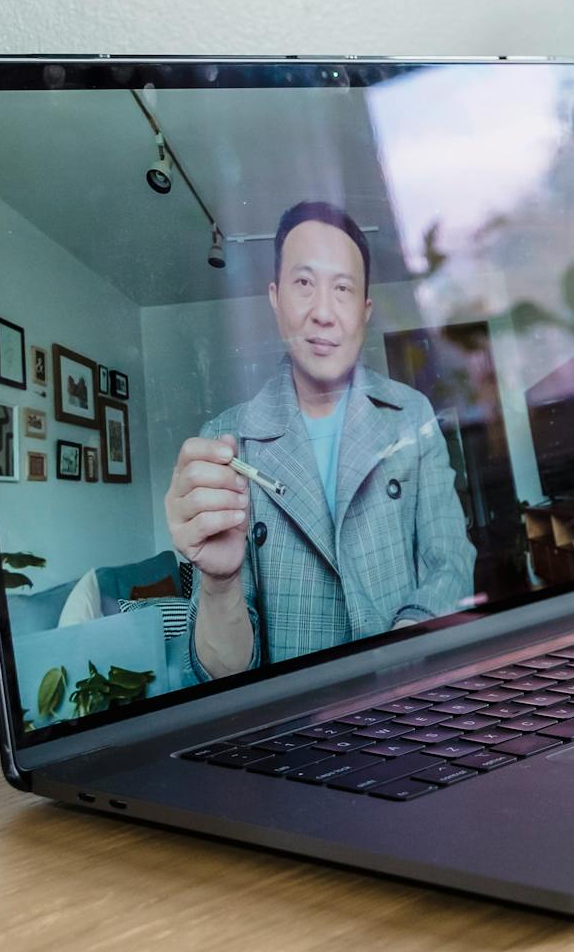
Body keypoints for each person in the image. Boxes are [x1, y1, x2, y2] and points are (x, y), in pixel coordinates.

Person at [164, 200, 475, 681]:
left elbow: (450, 559)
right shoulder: (227, 444)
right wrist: (219, 583)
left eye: (344, 289)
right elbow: (222, 675)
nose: (324, 313)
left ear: (366, 309)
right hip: (292, 731)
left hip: (413, 701)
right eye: (304, 283)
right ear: (275, 298)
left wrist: (405, 650)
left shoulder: (409, 414)